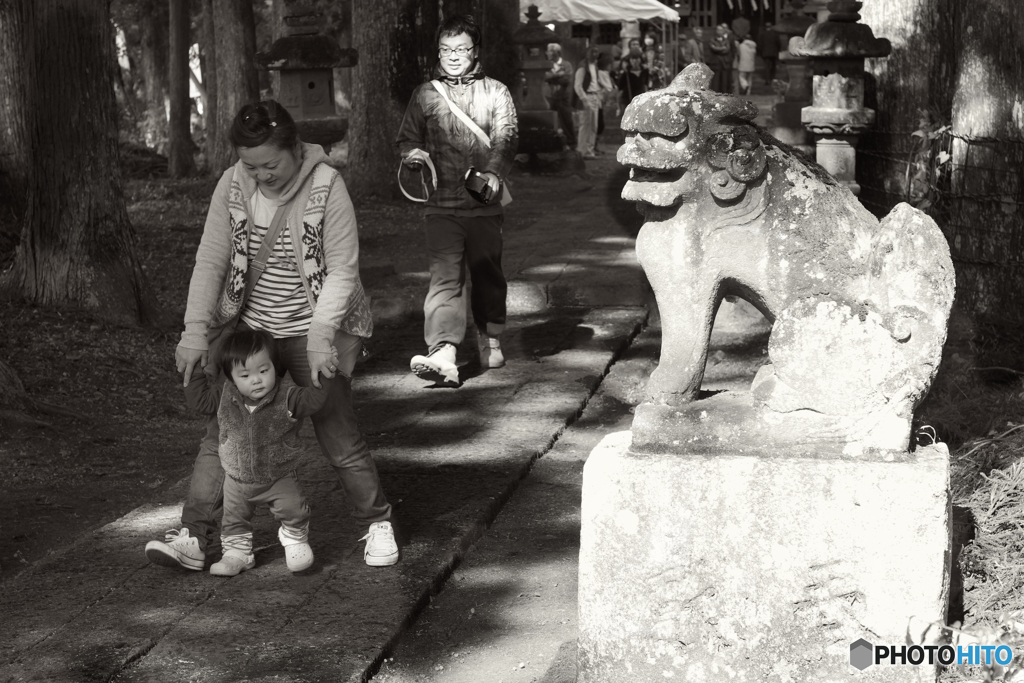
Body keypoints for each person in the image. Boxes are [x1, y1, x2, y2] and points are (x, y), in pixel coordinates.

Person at [145, 100, 399, 572]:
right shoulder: (232, 186)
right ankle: (194, 537)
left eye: (271, 164)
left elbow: (343, 269)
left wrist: (322, 337)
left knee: (338, 432)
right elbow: (210, 261)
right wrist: (195, 333)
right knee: (221, 436)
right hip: (251, 332)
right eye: (250, 165)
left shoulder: (327, 185)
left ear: (295, 149)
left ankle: (376, 522)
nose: (261, 175)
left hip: (312, 331)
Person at [394, 14, 518, 386]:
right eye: (446, 49)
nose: (452, 55)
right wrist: (413, 155)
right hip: (440, 204)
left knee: (487, 274)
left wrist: (495, 172)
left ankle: (490, 334)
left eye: (461, 48)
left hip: (484, 201)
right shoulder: (425, 93)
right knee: (444, 279)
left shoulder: (497, 91)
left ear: (475, 50)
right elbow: (407, 138)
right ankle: (444, 350)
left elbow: (507, 136)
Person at [183, 329, 333, 576]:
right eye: (245, 375)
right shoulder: (225, 396)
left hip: (279, 475)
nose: (257, 380)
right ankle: (237, 553)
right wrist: (194, 369)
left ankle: (294, 538)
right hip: (236, 478)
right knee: (233, 520)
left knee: (294, 509)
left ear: (275, 366)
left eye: (264, 371)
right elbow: (200, 401)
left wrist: (325, 370)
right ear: (231, 378)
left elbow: (315, 400)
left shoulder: (288, 396)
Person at [544, 43, 576, 150]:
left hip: (563, 96)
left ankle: (571, 143)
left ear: (556, 52)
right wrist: (558, 75)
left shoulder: (566, 65)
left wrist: (552, 78)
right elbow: (545, 77)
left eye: (550, 51)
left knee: (566, 119)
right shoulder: (546, 65)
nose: (547, 53)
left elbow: (567, 79)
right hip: (550, 96)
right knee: (549, 121)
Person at [574, 46, 602, 159]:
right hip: (587, 96)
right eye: (592, 52)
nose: (595, 54)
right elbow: (578, 85)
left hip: (594, 96)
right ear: (587, 53)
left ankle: (590, 150)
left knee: (593, 126)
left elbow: (595, 83)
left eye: (596, 52)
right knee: (585, 125)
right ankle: (582, 150)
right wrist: (584, 99)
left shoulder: (594, 67)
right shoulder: (583, 67)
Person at [708, 23, 735, 94]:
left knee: (724, 82)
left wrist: (718, 48)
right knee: (715, 82)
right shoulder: (712, 39)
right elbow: (713, 48)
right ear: (716, 31)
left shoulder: (726, 40)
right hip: (716, 64)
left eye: (721, 30)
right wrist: (722, 48)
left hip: (724, 64)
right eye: (718, 30)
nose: (720, 32)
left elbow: (727, 49)